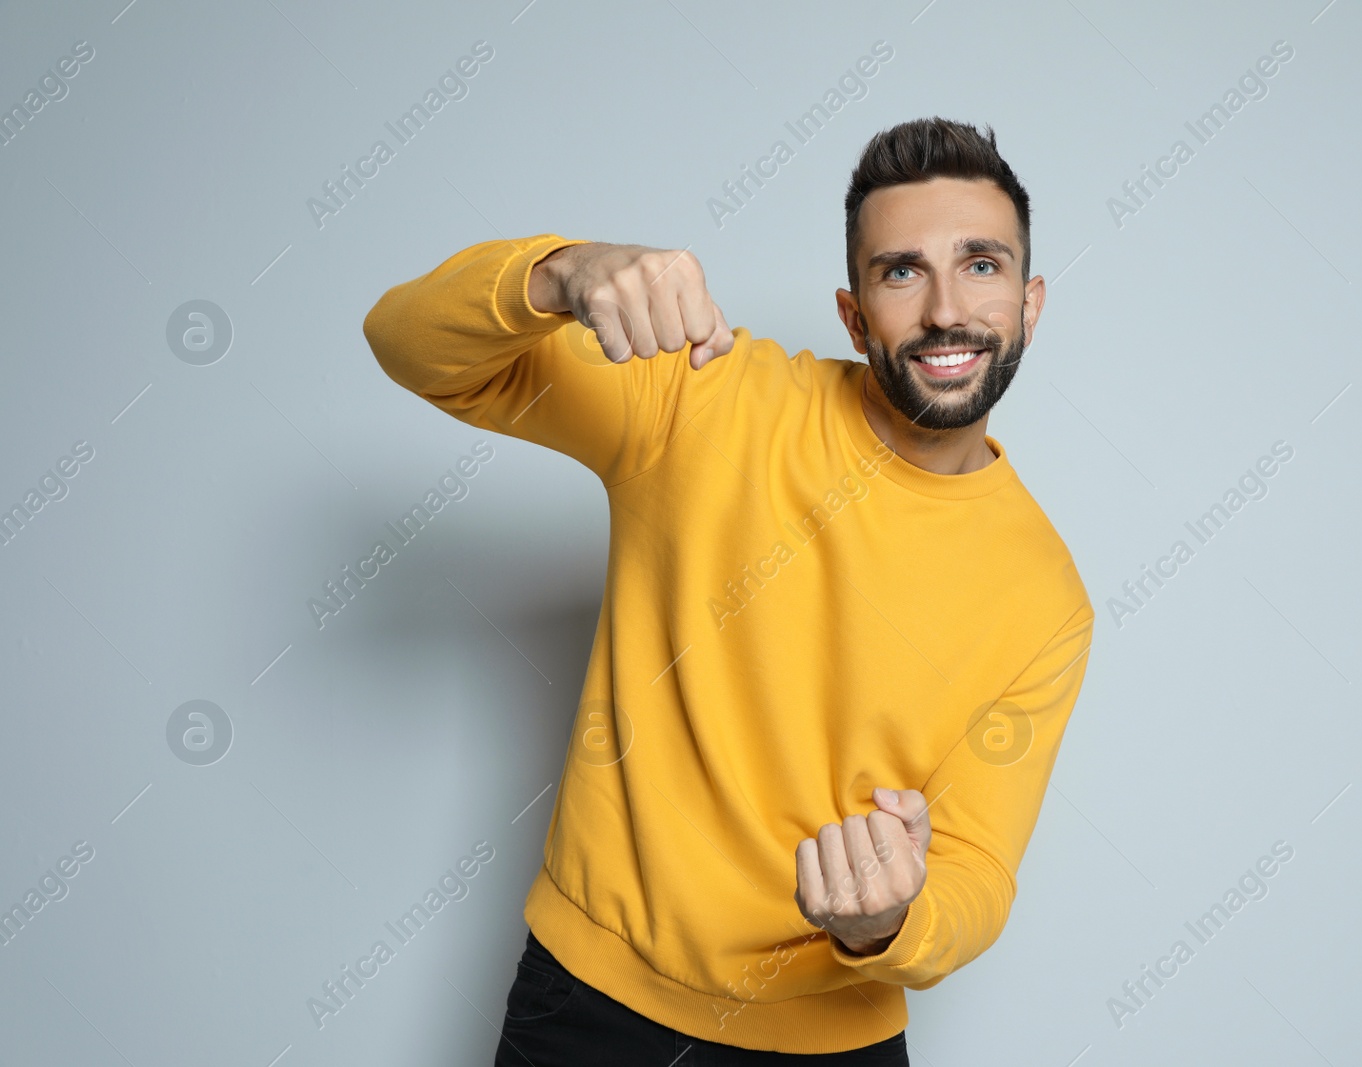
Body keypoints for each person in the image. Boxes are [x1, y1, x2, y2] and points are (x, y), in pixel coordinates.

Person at [363, 116, 1094, 1065]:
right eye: (902, 271)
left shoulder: (1046, 595)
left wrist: (889, 920)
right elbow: (407, 344)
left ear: (1031, 303)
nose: (946, 309)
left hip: (832, 1041)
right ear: (854, 311)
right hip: (587, 1004)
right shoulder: (706, 399)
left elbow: (978, 872)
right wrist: (559, 272)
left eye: (982, 265)